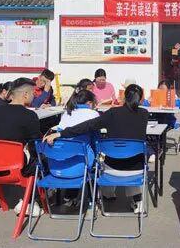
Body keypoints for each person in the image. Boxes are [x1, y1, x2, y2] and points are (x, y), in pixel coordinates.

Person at [44, 84, 149, 214]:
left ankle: (108, 195)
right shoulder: (144, 114)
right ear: (140, 99)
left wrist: (60, 134)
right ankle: (137, 200)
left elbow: (86, 126)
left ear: (124, 97)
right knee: (131, 157)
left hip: (112, 170)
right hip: (137, 170)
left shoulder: (112, 113)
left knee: (111, 159)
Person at [0, 77, 43, 215]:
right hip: (16, 166)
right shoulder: (29, 115)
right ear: (25, 95)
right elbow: (36, 144)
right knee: (40, 156)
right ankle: (33, 199)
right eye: (33, 93)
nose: (35, 95)